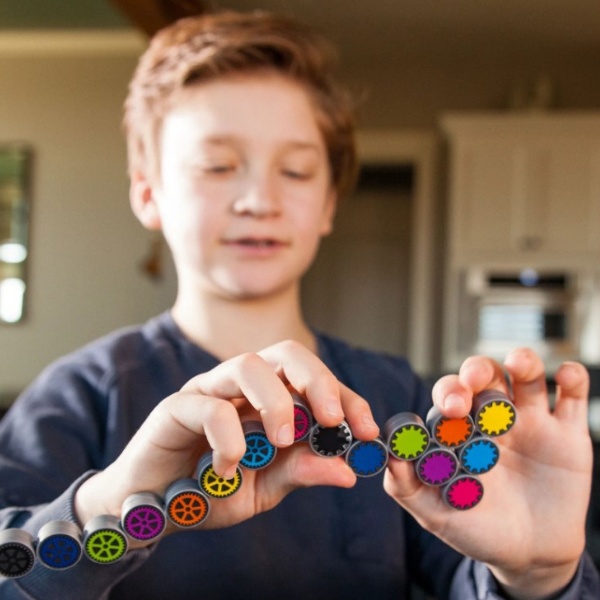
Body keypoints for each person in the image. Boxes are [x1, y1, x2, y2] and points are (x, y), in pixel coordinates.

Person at [0, 9, 598, 600]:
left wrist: (538, 577)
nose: (259, 199)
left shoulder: (396, 396)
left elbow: (466, 577)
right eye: (217, 166)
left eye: (295, 170)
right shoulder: (77, 397)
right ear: (148, 193)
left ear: (329, 203)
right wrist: (108, 511)